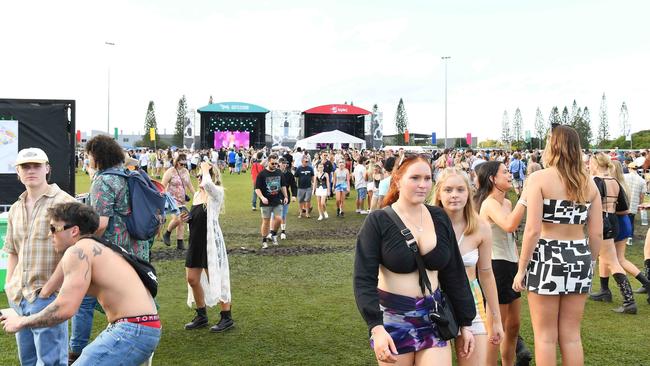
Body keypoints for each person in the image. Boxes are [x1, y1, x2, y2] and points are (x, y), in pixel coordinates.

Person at [2, 202, 161, 365]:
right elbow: (47, 291)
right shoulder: (97, 246)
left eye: (53, 229)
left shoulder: (78, 252)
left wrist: (21, 322)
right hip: (141, 327)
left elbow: (64, 309)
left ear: (74, 230)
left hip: (132, 330)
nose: (50, 235)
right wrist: (21, 311)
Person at [354, 154, 476, 365]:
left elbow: (454, 272)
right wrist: (376, 328)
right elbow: (363, 278)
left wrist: (465, 323)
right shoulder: (378, 221)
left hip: (434, 318)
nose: (423, 185)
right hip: (393, 321)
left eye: (427, 178)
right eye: (415, 178)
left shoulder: (439, 217)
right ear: (398, 180)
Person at [511, 125, 603, 365]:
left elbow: (531, 231)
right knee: (572, 337)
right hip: (580, 256)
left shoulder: (539, 179)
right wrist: (589, 262)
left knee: (545, 337)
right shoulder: (590, 184)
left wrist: (521, 269)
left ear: (553, 145)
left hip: (546, 257)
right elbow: (596, 233)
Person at [2, 148, 76, 365]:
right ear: (18, 172)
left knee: (51, 361)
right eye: (26, 166)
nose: (31, 170)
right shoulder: (16, 208)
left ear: (47, 169)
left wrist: (49, 290)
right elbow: (13, 251)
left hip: (48, 297)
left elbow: (78, 251)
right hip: (20, 296)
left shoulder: (66, 203)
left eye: (36, 165)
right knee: (28, 360)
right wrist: (9, 286)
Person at [434, 168, 504, 366]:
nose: (454, 195)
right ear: (438, 193)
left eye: (460, 189)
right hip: (436, 301)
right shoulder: (428, 224)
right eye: (448, 190)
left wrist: (497, 319)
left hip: (471, 299)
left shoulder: (481, 227)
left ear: (469, 192)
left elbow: (487, 274)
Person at [474, 161, 529, 366]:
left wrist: (519, 269)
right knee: (496, 329)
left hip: (510, 265)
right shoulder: (488, 203)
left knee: (513, 326)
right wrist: (524, 198)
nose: (509, 174)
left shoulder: (506, 203)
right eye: (504, 172)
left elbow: (512, 237)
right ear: (492, 179)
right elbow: (508, 225)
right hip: (495, 267)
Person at [183, 162, 235, 332]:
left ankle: (226, 317)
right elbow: (197, 216)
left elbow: (207, 184)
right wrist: (187, 218)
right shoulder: (198, 195)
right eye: (197, 175)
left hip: (210, 241)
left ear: (210, 176)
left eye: (201, 175)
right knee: (192, 279)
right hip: (195, 241)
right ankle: (201, 315)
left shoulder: (216, 192)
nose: (198, 178)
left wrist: (206, 167)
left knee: (216, 278)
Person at [588, 152, 640, 313]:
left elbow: (590, 204)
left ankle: (629, 301)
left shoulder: (596, 181)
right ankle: (608, 293)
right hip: (613, 221)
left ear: (595, 164)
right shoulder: (615, 181)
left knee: (612, 262)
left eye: (590, 164)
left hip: (602, 222)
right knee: (609, 259)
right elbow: (623, 209)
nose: (589, 166)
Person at [162, 153, 195, 250]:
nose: (183, 166)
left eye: (185, 164)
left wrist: (196, 195)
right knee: (177, 218)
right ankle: (167, 233)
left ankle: (180, 244)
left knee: (183, 220)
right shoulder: (170, 171)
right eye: (181, 164)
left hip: (182, 200)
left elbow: (189, 185)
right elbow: (162, 185)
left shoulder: (185, 172)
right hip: (172, 200)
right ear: (176, 162)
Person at [255, 153, 288, 249]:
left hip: (277, 200)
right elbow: (257, 188)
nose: (274, 166)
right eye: (273, 163)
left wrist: (286, 196)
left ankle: (273, 234)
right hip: (266, 202)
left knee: (279, 219)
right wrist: (262, 197)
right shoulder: (262, 174)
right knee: (266, 221)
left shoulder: (279, 173)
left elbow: (283, 185)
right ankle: (264, 240)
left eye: (276, 164)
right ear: (268, 162)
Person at [625, 162, 647, 246]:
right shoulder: (641, 180)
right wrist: (640, 204)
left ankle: (623, 237)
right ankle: (630, 238)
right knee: (631, 221)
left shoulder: (625, 176)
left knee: (623, 220)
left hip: (625, 202)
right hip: (634, 203)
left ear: (630, 168)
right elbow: (642, 195)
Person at [278, 158, 297, 238]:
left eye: (285, 163)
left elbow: (293, 186)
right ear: (279, 163)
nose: (284, 165)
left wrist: (294, 195)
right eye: (282, 163)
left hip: (286, 196)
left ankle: (283, 232)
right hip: (275, 196)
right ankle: (272, 232)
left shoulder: (289, 174)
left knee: (283, 215)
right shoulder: (275, 173)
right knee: (273, 216)